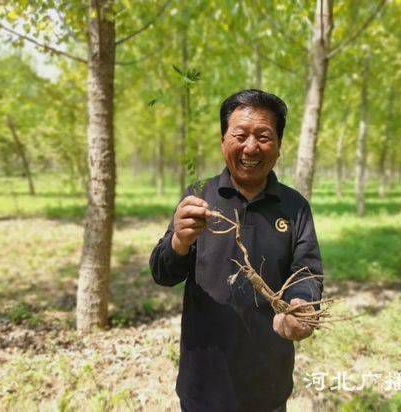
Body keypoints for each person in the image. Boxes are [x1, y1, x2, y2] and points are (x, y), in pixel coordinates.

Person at [149, 89, 323, 412]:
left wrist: (302, 304)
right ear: (223, 141)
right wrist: (179, 243)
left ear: (279, 146)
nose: (251, 147)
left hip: (267, 385)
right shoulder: (199, 197)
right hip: (204, 382)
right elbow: (162, 272)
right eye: (240, 135)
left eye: (264, 136)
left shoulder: (295, 207)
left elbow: (308, 272)